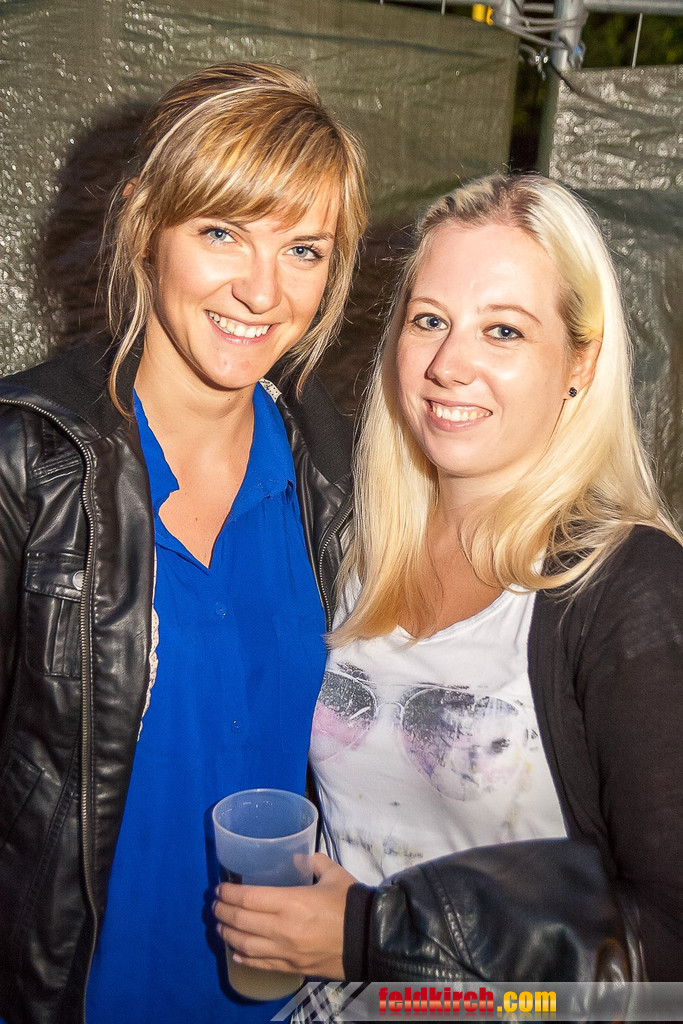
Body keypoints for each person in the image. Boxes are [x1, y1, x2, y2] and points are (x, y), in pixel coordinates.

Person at [214, 173, 683, 987]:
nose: (449, 365)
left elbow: (670, 935)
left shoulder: (627, 588)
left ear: (580, 359)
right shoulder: (348, 540)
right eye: (429, 320)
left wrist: (373, 937)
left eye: (502, 330)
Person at [0, 62, 367, 1024]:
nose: (261, 290)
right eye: (221, 232)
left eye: (303, 249)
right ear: (142, 223)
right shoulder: (27, 460)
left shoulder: (341, 479)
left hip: (289, 1006)